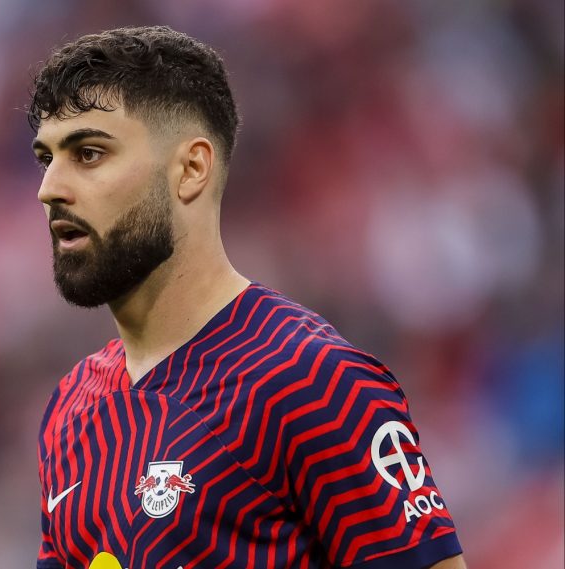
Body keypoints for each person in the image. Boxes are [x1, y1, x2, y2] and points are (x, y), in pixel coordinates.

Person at [27, 26, 466, 569]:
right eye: (46, 158)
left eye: (89, 153)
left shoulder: (311, 382)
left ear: (191, 169)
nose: (50, 188)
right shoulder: (72, 408)